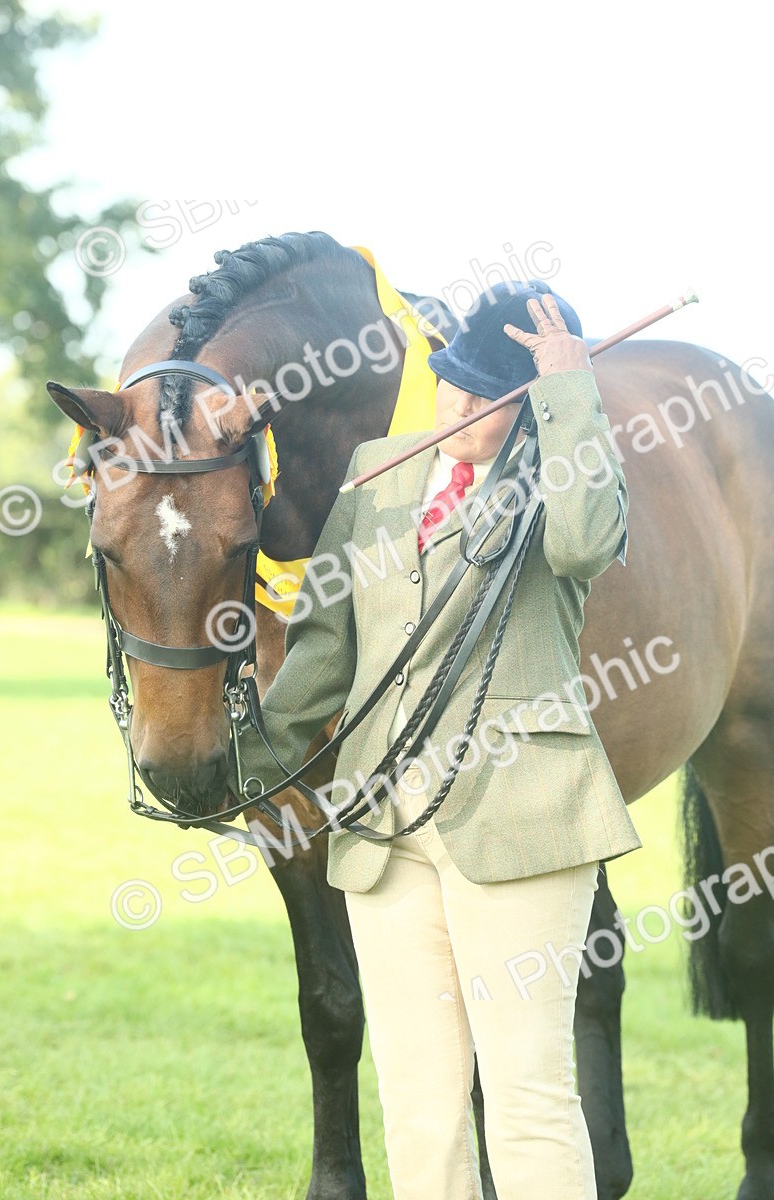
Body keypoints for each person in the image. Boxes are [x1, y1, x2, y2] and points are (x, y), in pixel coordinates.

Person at [239, 279, 642, 1200]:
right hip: (384, 831)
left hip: (521, 819)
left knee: (527, 1094)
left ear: (534, 404)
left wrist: (567, 392)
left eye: (488, 397)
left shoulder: (564, 473)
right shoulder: (379, 468)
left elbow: (586, 545)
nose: (457, 406)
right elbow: (323, 648)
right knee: (417, 1105)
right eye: (452, 381)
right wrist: (247, 771)